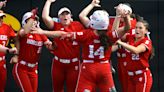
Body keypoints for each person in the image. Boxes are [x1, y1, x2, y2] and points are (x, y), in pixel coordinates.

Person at [32, 0, 130, 91]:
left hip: (88, 68)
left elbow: (63, 34)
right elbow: (126, 28)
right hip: (104, 67)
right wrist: (124, 16)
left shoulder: (86, 34)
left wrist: (42, 32)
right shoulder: (110, 34)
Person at [12, 8, 65, 92]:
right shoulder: (22, 32)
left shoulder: (40, 34)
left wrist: (55, 43)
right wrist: (32, 16)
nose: (33, 22)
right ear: (24, 22)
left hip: (33, 69)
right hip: (22, 68)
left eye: (35, 20)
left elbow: (50, 46)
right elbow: (24, 32)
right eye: (30, 20)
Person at [42, 0, 84, 92]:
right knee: (57, 89)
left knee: (72, 89)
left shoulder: (78, 25)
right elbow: (45, 17)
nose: (65, 16)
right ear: (58, 17)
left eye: (67, 14)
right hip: (58, 64)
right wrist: (48, 2)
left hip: (73, 64)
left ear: (71, 16)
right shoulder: (56, 25)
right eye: (62, 14)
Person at [116, 19, 153, 92]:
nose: (137, 30)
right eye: (136, 27)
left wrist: (121, 43)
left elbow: (136, 50)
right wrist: (118, 16)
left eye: (140, 28)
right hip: (131, 76)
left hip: (142, 76)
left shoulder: (146, 41)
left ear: (146, 31)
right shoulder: (130, 37)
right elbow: (117, 33)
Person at [0, 10, 18, 92]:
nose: (1, 19)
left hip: (1, 62)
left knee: (1, 88)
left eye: (2, 17)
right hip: (6, 52)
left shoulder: (6, 27)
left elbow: (17, 39)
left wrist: (16, 55)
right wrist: (9, 50)